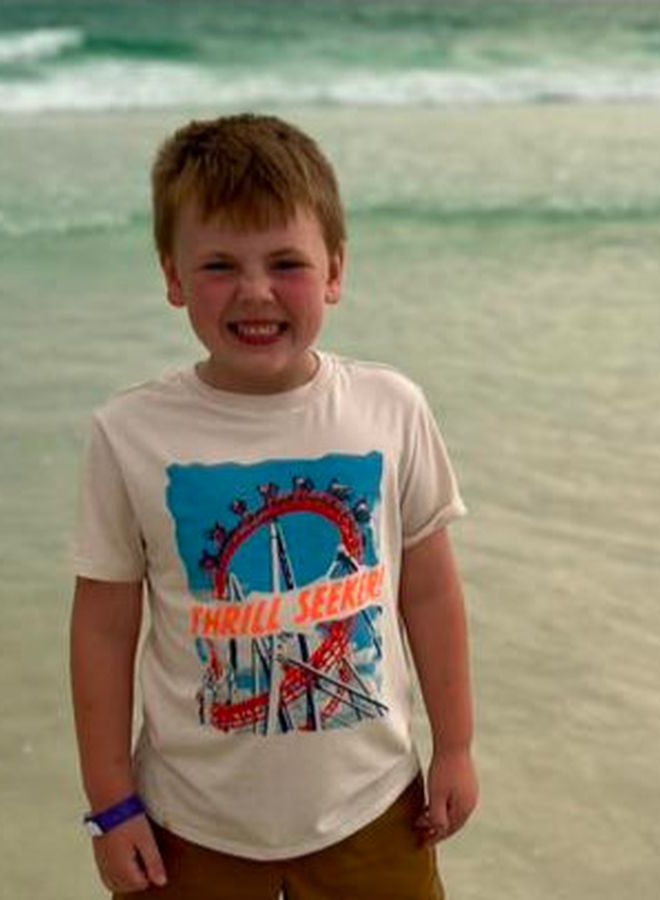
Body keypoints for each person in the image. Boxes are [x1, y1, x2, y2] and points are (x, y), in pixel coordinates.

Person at [70, 113, 477, 899]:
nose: (255, 291)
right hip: (187, 822)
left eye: (286, 263)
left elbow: (428, 592)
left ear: (334, 271)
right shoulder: (130, 433)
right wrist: (110, 804)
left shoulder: (390, 408)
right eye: (219, 265)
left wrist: (456, 746)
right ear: (173, 277)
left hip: (372, 805)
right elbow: (103, 629)